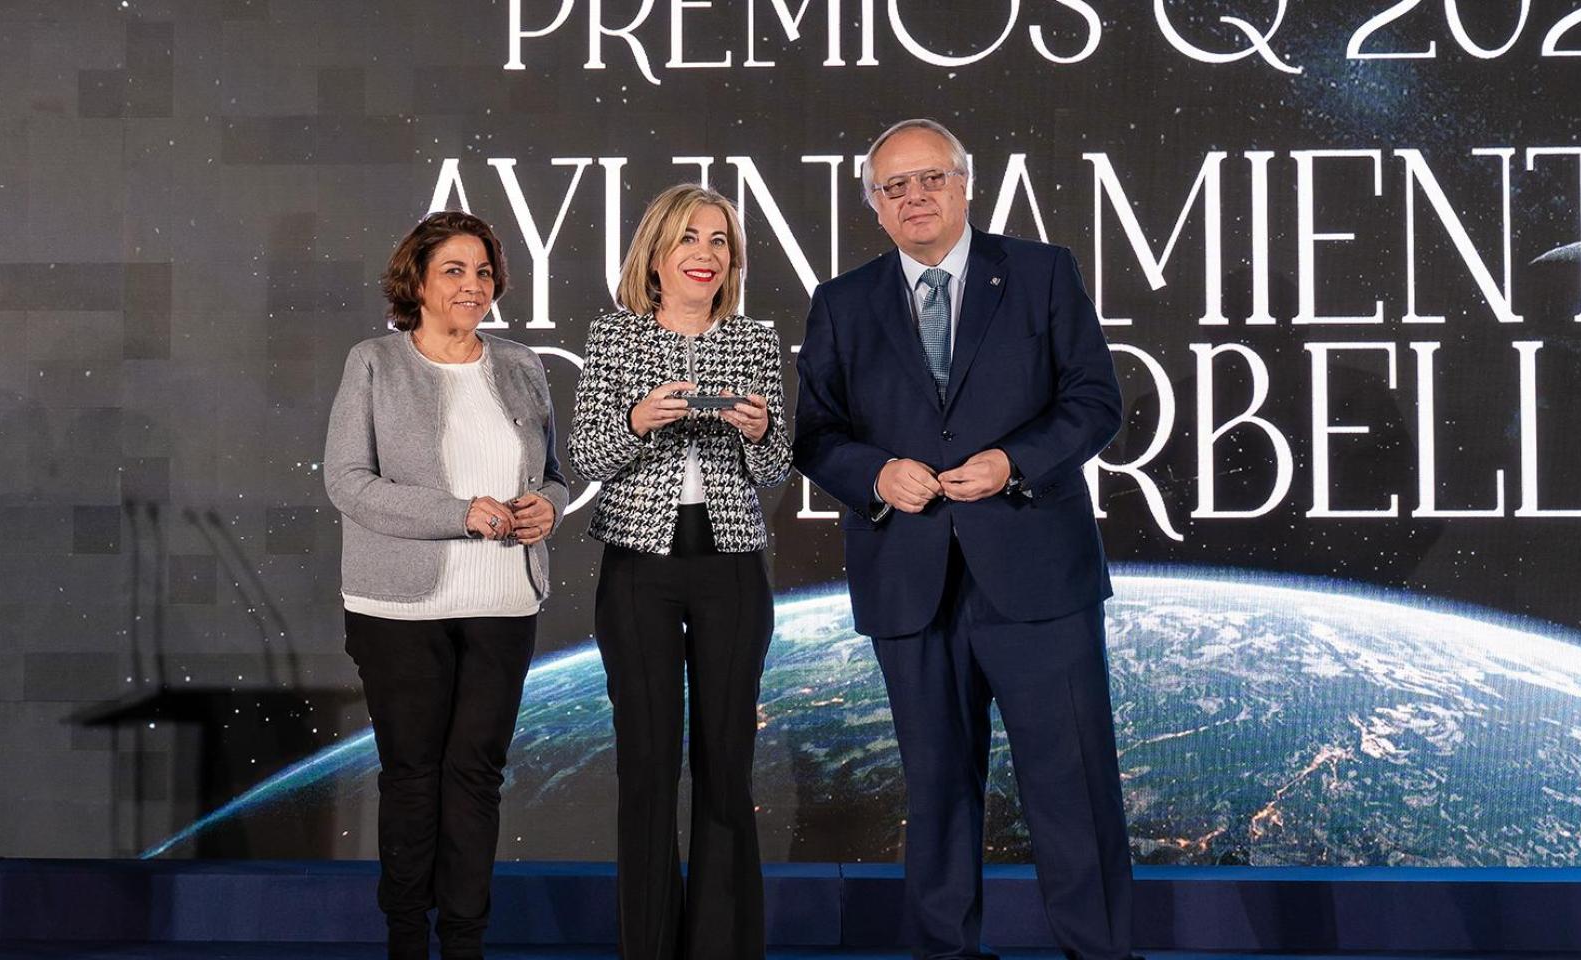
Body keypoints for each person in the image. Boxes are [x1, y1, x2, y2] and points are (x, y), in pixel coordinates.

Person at [794, 119, 1138, 960]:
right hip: (911, 583)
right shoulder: (842, 302)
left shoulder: (1041, 272)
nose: (915, 197)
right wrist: (876, 475)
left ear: (965, 185)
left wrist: (1014, 463)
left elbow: (1095, 401)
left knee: (1071, 788)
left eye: (931, 179)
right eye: (894, 187)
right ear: (875, 206)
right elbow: (816, 434)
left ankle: (1100, 953)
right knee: (937, 791)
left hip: (1036, 577)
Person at [323, 211, 569, 960]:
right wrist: (459, 514)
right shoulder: (374, 362)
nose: (473, 286)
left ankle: (464, 944)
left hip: (504, 603)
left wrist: (545, 510)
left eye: (484, 272)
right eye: (454, 271)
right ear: (418, 283)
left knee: (476, 779)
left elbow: (554, 477)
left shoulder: (523, 363)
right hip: (398, 607)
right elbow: (348, 484)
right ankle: (406, 941)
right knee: (412, 778)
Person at [567, 183, 791, 960]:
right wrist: (636, 420)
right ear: (656, 254)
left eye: (720, 240)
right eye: (690, 238)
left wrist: (760, 431)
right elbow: (587, 456)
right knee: (647, 767)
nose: (705, 253)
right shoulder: (615, 336)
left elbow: (778, 466)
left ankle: (723, 948)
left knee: (726, 764)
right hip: (638, 569)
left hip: (731, 567)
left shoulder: (755, 339)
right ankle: (649, 948)